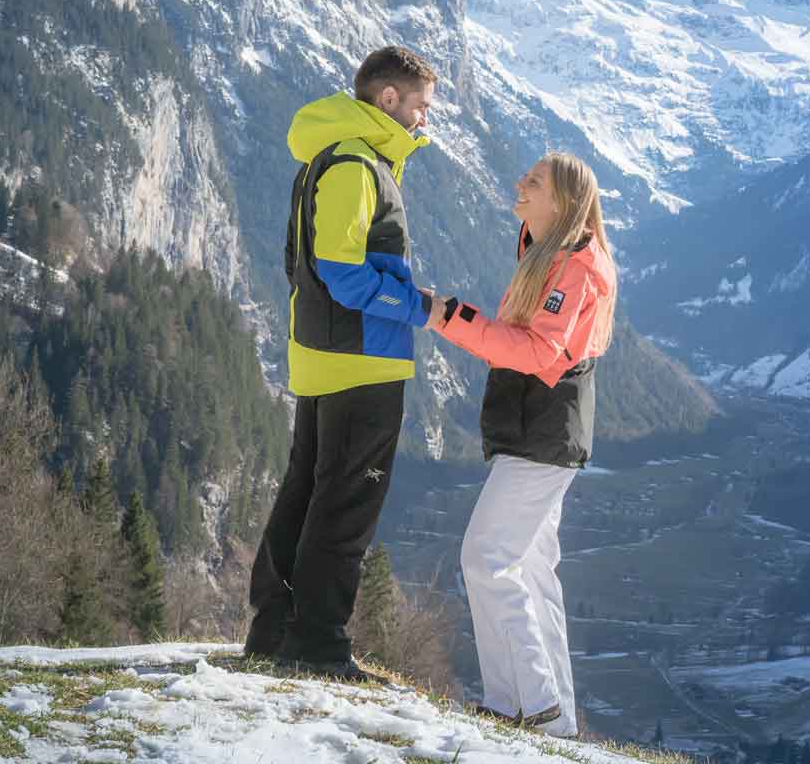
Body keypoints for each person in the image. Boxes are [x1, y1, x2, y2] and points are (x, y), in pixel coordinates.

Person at [245, 45, 440, 676]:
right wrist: (417, 306)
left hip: (324, 355)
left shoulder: (330, 157)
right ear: (388, 99)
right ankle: (318, 644)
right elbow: (342, 271)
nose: (423, 121)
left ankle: (275, 632)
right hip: (363, 360)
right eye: (419, 107)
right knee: (347, 502)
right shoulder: (358, 165)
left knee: (306, 491)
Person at [429, 151, 617, 736]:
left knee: (486, 558)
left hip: (543, 435)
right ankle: (532, 709)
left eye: (534, 182)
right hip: (536, 431)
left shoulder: (575, 268)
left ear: (561, 201)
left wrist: (451, 318)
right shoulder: (549, 251)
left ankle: (534, 704)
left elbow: (539, 354)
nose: (521, 184)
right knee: (533, 570)